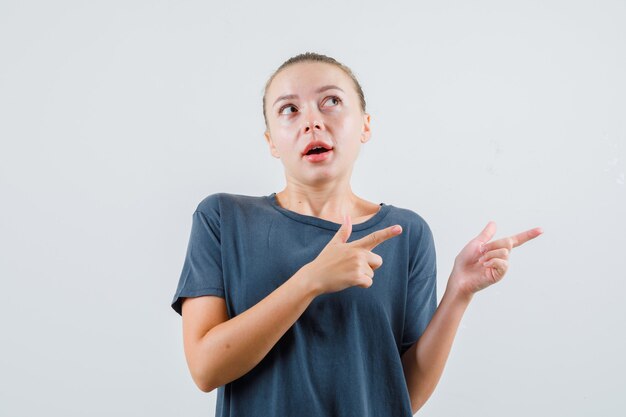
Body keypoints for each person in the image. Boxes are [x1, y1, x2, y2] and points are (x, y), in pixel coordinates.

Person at [170, 52, 543, 416]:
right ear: (271, 141)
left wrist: (459, 293)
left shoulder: (405, 233)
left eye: (331, 101)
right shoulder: (222, 218)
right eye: (289, 109)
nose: (312, 122)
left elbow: (400, 395)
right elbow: (205, 369)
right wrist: (310, 281)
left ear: (365, 125)